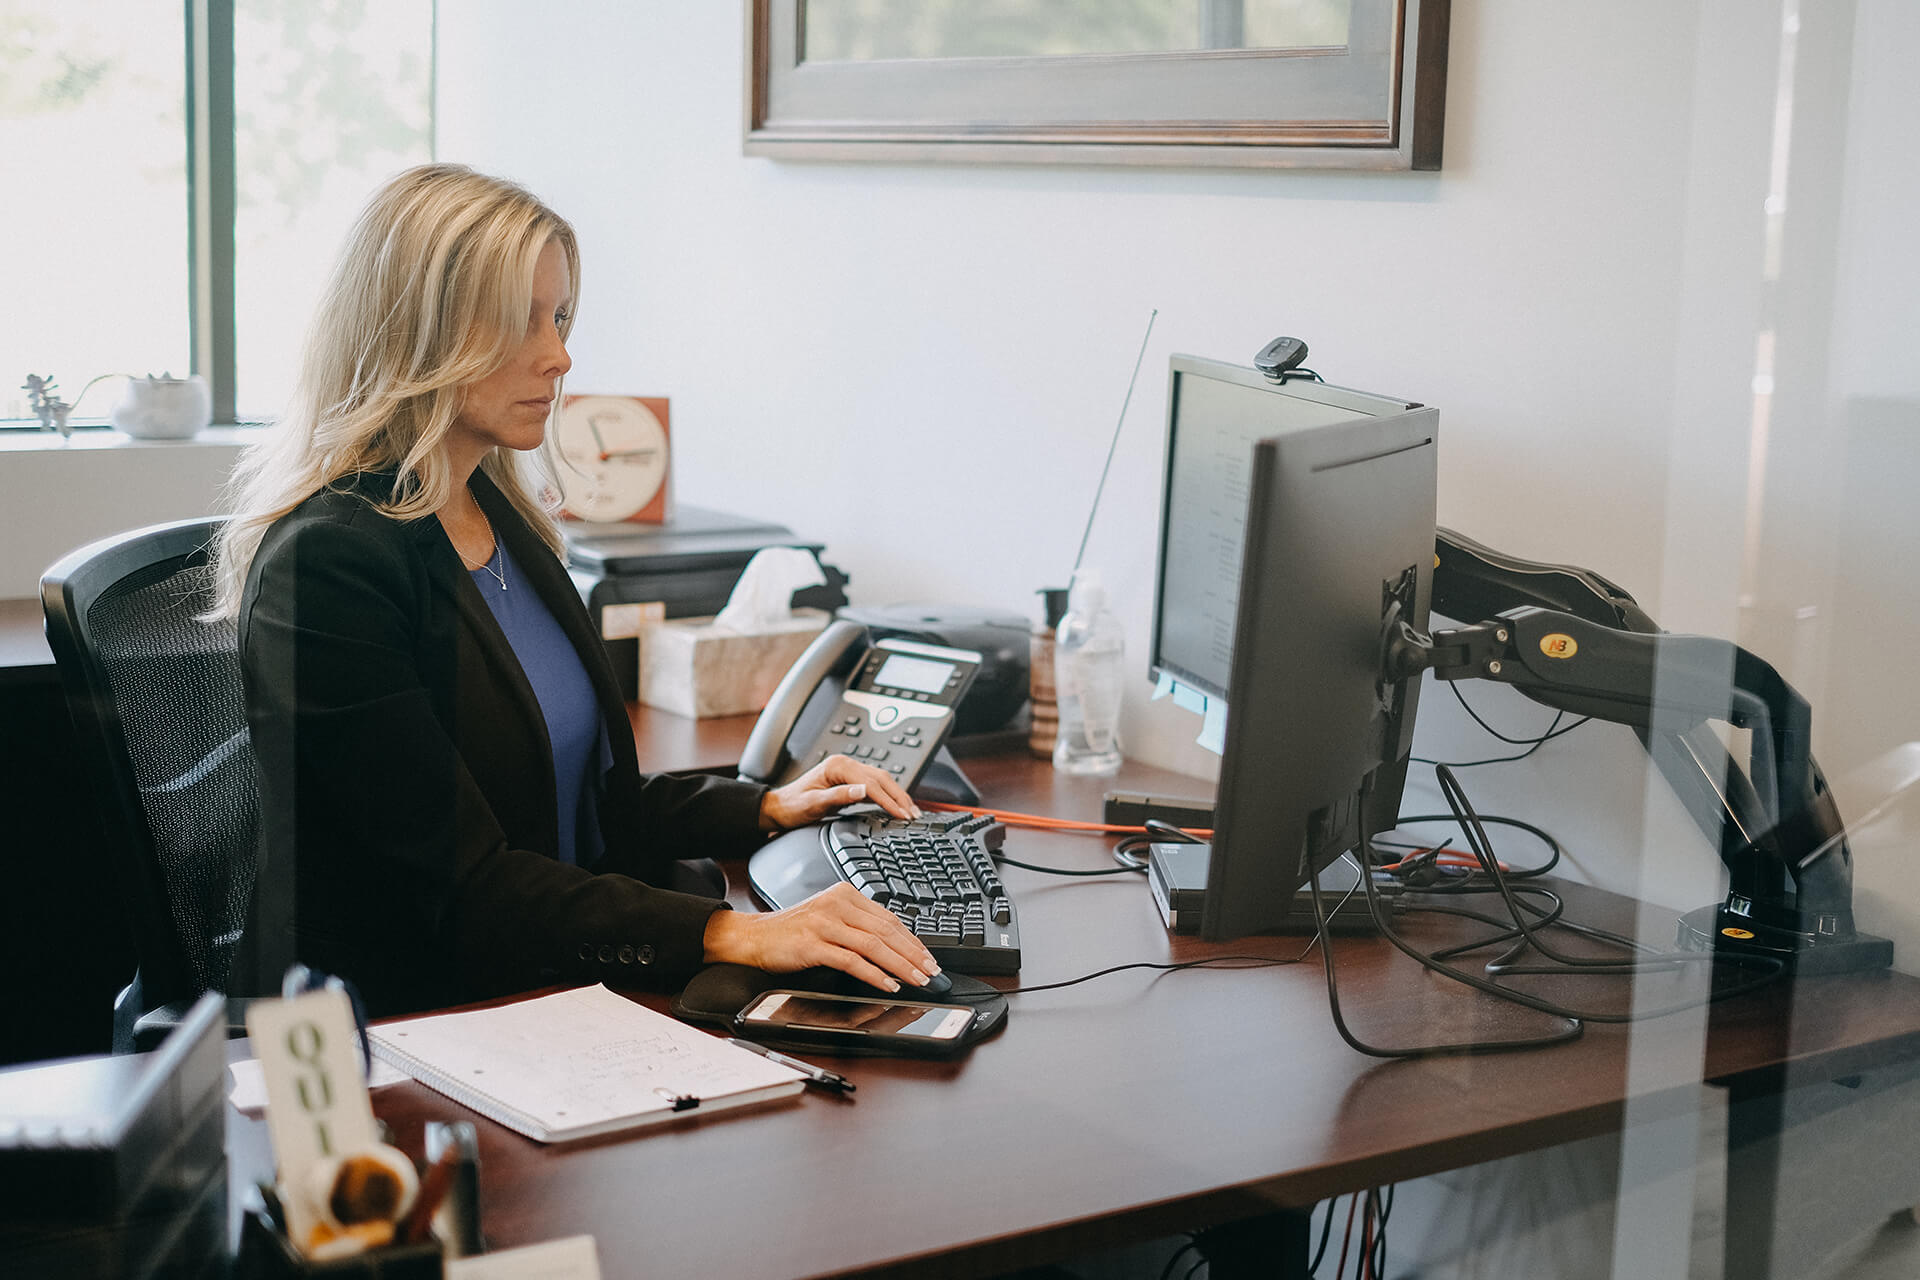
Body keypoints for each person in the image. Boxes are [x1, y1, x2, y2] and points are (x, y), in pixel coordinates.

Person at [210, 164, 939, 1017]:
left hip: (540, 980)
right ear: (419, 331)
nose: (559, 356)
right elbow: (467, 886)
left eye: (557, 318)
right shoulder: (330, 570)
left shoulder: (497, 517)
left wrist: (767, 807)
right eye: (519, 322)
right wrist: (731, 933)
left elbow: (588, 806)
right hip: (412, 1023)